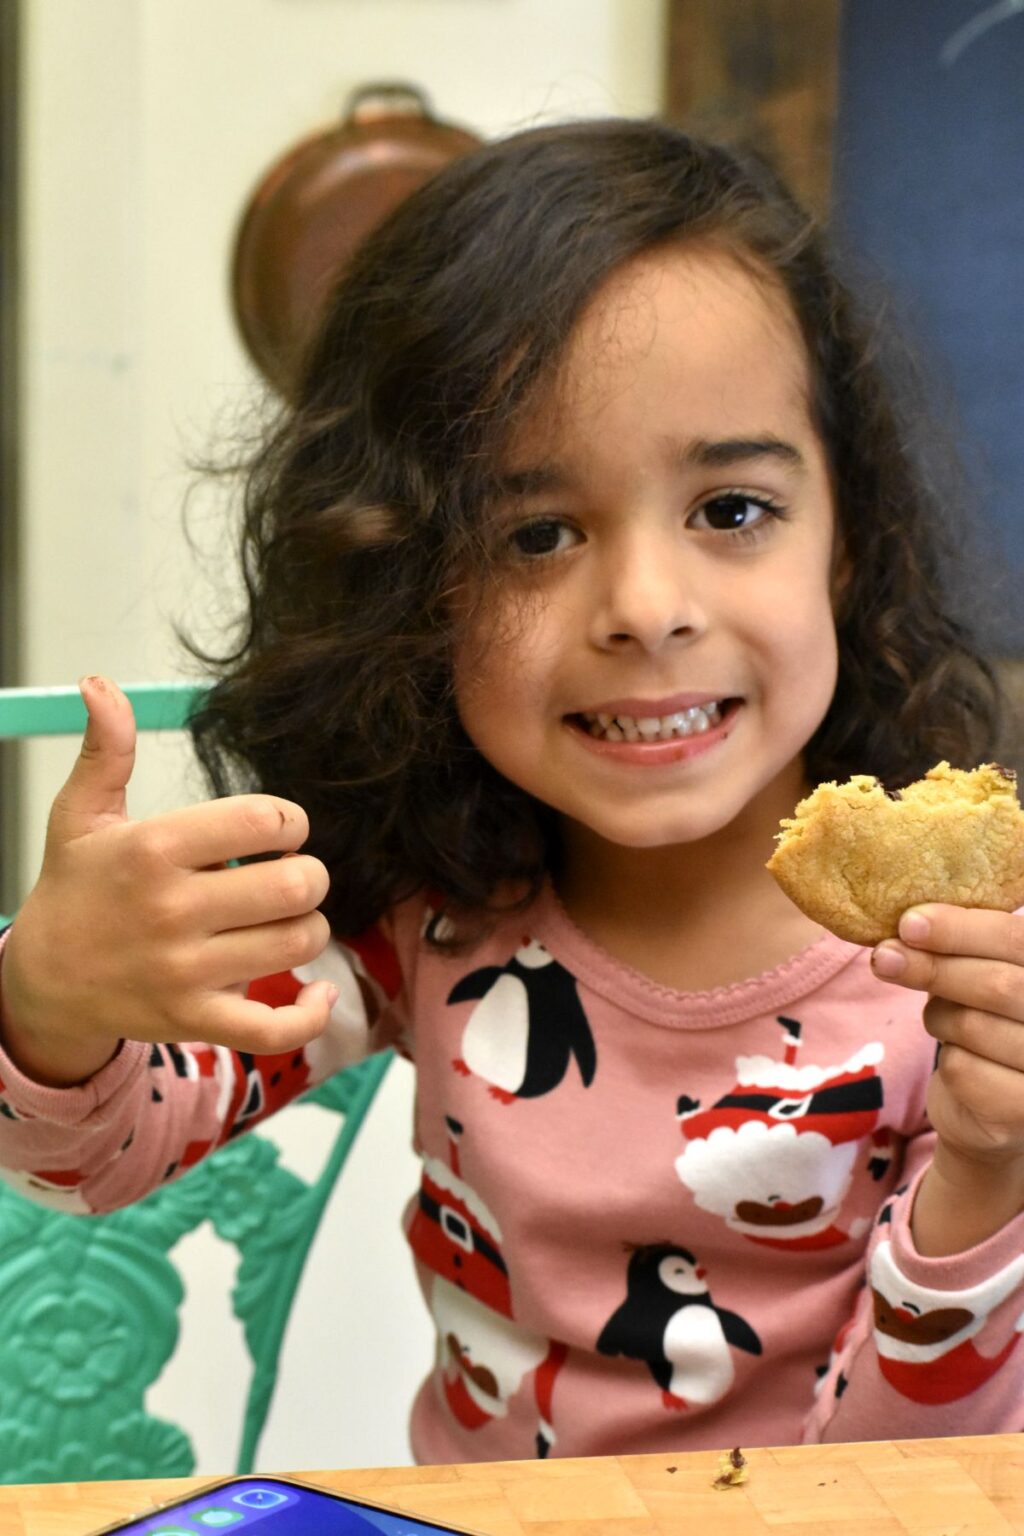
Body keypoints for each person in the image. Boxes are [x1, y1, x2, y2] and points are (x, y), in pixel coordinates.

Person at [1, 118, 1023, 1464]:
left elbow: (911, 1485)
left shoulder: (970, 983)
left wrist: (992, 1175)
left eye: (730, 510)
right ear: (414, 592)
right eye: (537, 534)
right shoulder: (422, 922)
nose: (647, 607)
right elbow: (90, 1162)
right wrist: (49, 1005)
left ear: (846, 540)